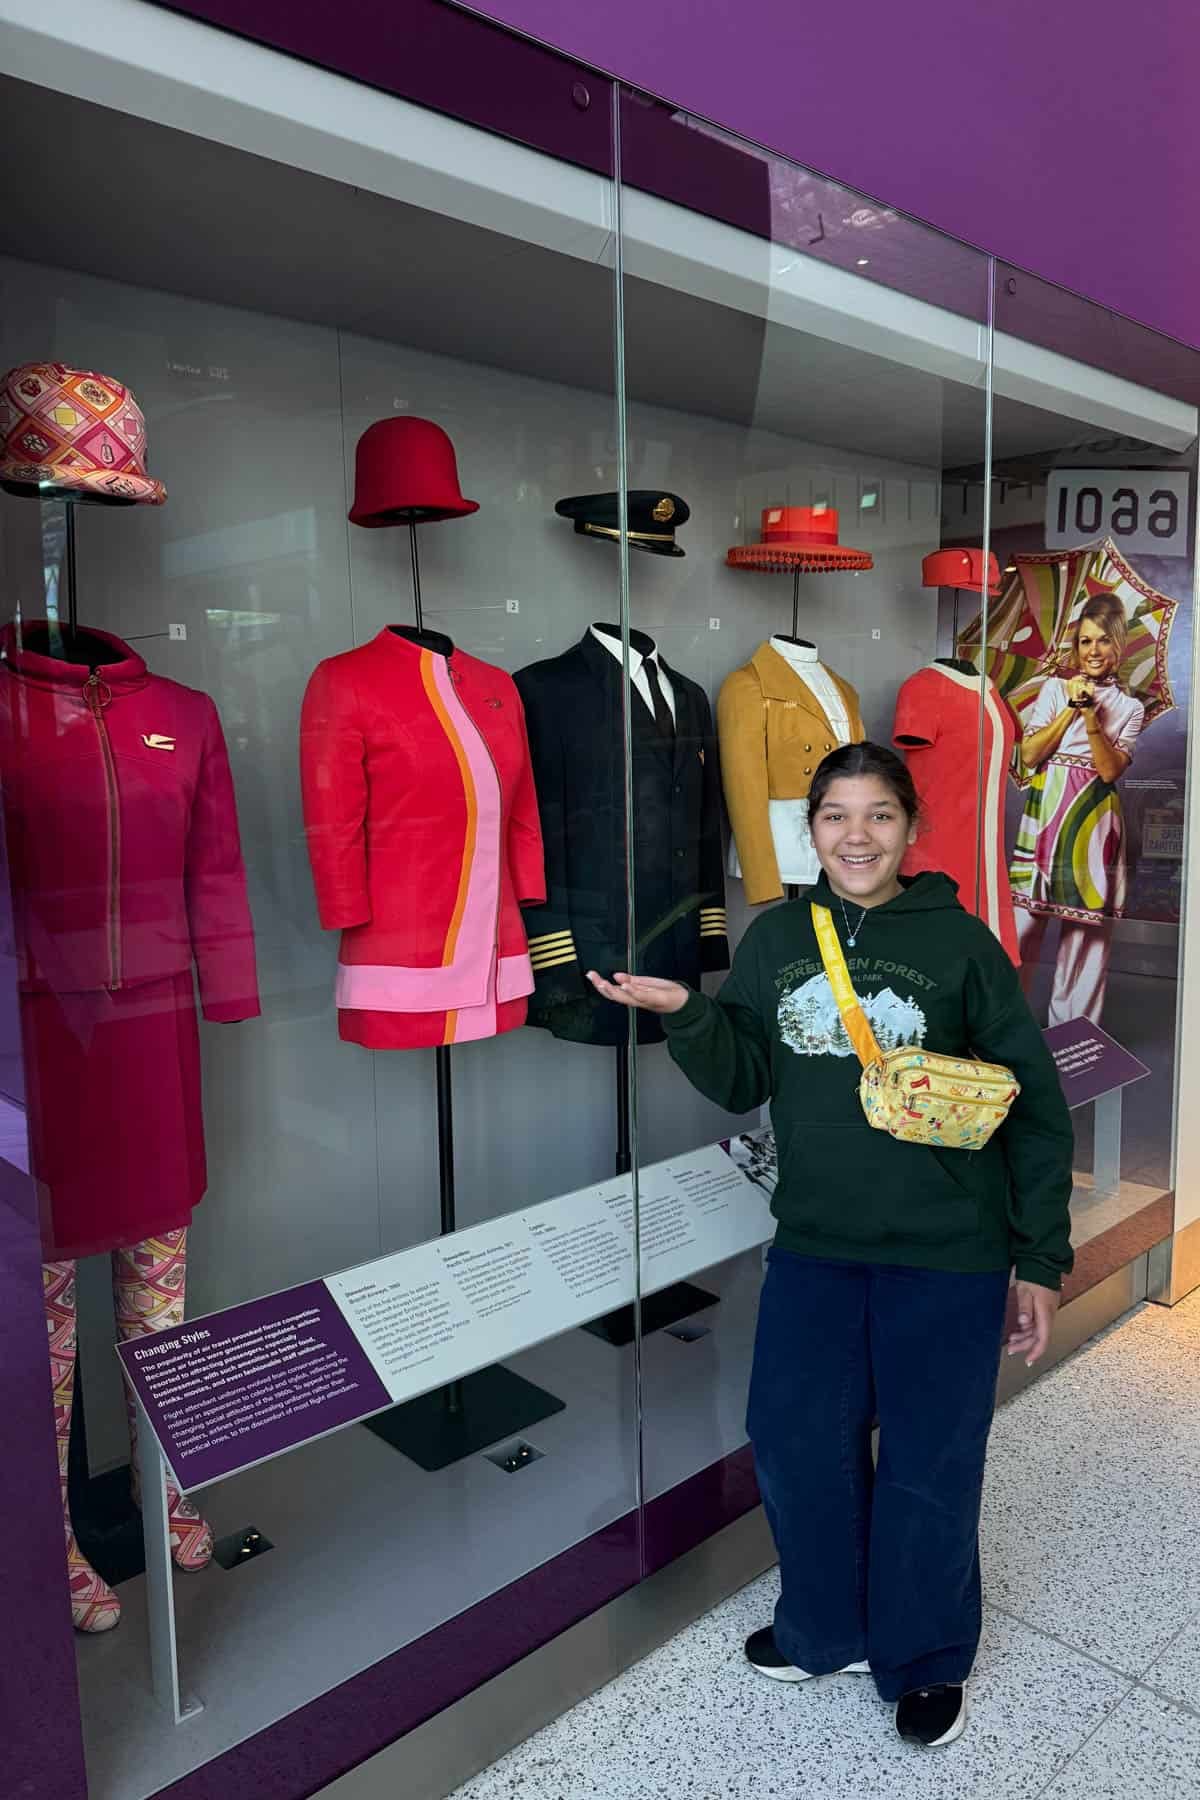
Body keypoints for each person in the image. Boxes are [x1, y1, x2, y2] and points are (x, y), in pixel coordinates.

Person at [588, 741, 1073, 1749]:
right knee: (797, 1442)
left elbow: (1033, 1107)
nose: (857, 836)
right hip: (815, 1244)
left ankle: (925, 1652)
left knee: (930, 1460)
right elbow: (741, 1076)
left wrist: (1039, 1257)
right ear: (810, 831)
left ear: (910, 827)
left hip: (950, 1250)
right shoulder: (777, 938)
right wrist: (687, 1015)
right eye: (836, 817)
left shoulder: (961, 943)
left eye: (879, 815)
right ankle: (826, 1627)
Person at [1010, 592, 1145, 1025]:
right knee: (1018, 930)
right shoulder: (1053, 689)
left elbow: (1108, 771)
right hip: (1044, 816)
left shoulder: (1130, 708)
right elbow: (1029, 754)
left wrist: (1091, 717)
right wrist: (1071, 707)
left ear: (1118, 646)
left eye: (1103, 641)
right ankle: (1003, 1029)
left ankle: (1072, 1042)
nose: (1093, 651)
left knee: (1086, 941)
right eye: (1085, 642)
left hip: (1094, 824)